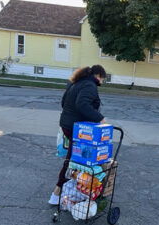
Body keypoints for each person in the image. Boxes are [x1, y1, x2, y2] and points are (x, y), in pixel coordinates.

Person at [48, 65, 107, 205]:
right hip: (78, 129)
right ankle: (56, 193)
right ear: (98, 75)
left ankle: (75, 189)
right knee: (73, 159)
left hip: (67, 125)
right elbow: (82, 105)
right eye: (103, 79)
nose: (102, 82)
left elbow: (64, 103)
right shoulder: (90, 85)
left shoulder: (77, 82)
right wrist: (100, 118)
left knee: (77, 158)